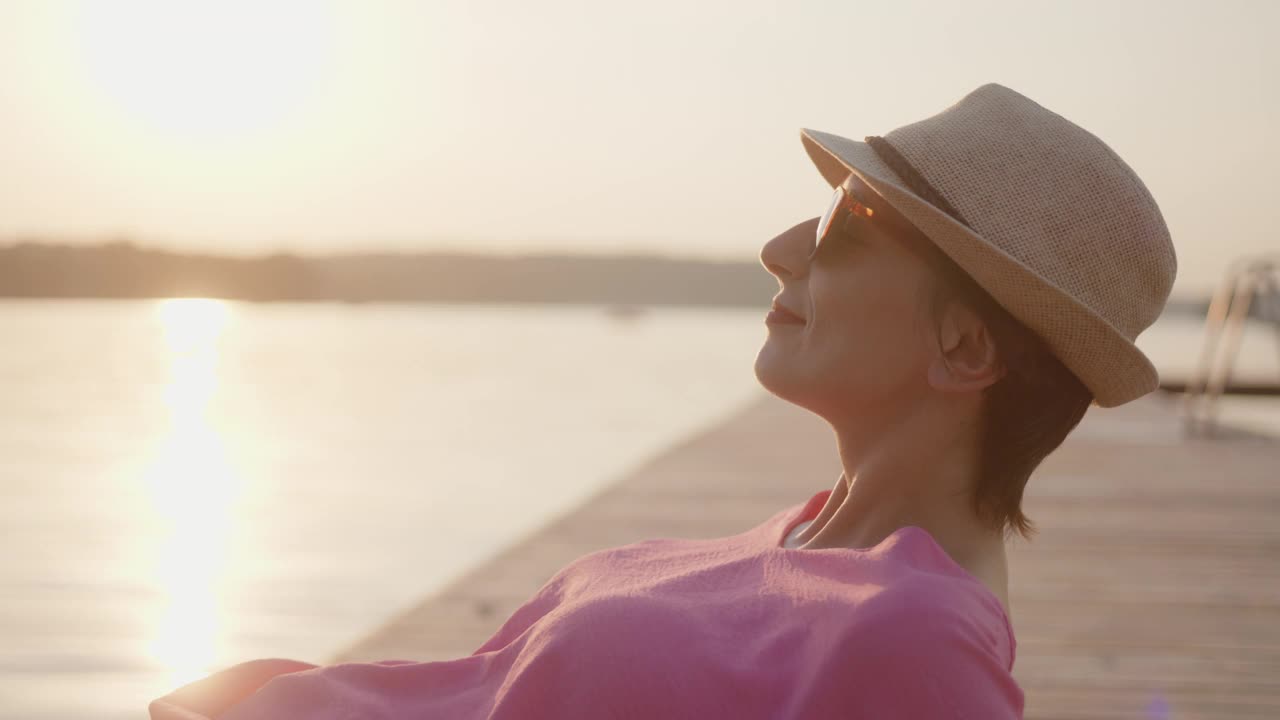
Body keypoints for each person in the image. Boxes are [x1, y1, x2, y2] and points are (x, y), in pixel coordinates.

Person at [148, 82, 1177, 719]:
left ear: (961, 347)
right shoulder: (815, 543)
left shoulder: (915, 643)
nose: (779, 250)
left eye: (845, 232)